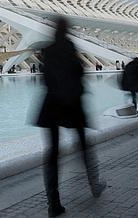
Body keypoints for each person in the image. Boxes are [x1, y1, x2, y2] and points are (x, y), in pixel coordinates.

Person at [34, 17, 105, 217]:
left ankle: (53, 203)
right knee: (83, 146)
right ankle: (94, 184)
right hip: (72, 105)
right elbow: (80, 74)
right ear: (67, 30)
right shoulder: (70, 49)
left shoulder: (47, 51)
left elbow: (45, 79)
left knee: (52, 155)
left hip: (51, 106)